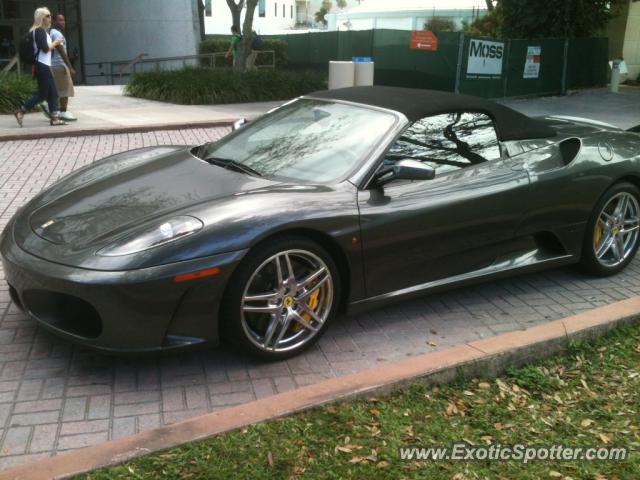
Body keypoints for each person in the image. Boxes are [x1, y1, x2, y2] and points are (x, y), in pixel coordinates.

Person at [14, 7, 65, 127]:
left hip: (44, 66)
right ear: (41, 18)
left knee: (52, 93)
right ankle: (21, 111)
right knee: (42, 94)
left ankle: (54, 118)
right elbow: (45, 48)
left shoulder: (42, 31)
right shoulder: (39, 31)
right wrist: (56, 42)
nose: (50, 18)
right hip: (42, 66)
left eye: (50, 16)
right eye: (47, 16)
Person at [44, 13, 77, 121]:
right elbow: (62, 52)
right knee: (65, 90)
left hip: (52, 65)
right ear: (54, 22)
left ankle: (50, 107)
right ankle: (63, 112)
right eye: (60, 20)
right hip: (60, 65)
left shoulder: (50, 32)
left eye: (63, 20)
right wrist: (70, 67)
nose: (63, 22)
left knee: (57, 89)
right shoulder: (57, 33)